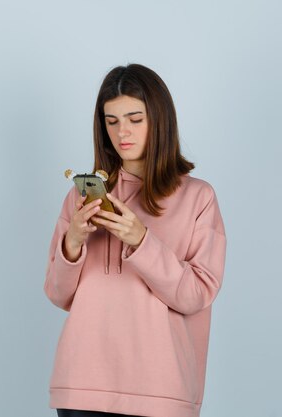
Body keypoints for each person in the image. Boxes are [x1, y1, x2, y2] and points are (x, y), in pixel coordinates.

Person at [43, 63, 227, 417]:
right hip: (81, 385)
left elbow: (196, 295)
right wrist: (74, 242)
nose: (122, 132)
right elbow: (57, 294)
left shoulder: (198, 197)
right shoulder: (81, 197)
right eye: (111, 121)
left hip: (160, 391)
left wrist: (142, 241)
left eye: (134, 118)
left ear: (159, 119)